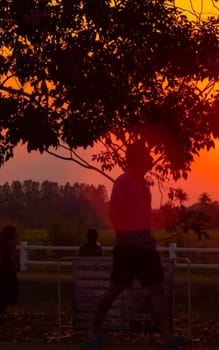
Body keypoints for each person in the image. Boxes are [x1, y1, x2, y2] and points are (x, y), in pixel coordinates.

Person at [87, 141, 187, 348]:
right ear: (137, 158)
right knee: (115, 288)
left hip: (146, 247)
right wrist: (125, 237)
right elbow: (114, 213)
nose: (151, 159)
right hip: (128, 248)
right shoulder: (123, 181)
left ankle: (167, 336)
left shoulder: (144, 184)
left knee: (157, 289)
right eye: (147, 156)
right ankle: (93, 331)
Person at [0, 225, 19, 316]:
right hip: (9, 269)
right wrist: (15, 266)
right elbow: (13, 256)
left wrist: (1, 264)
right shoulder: (11, 243)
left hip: (2, 269)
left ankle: (2, 308)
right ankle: (3, 309)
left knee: (3, 288)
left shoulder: (2, 243)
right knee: (10, 288)